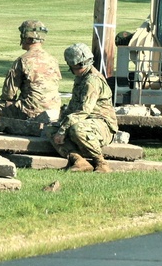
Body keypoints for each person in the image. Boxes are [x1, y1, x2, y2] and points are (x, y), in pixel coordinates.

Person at [49, 42, 118, 173]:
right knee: (50, 129)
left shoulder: (92, 80)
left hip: (102, 124)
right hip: (84, 121)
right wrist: (60, 124)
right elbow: (73, 105)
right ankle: (78, 160)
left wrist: (63, 130)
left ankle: (101, 162)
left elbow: (83, 110)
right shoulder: (81, 77)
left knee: (77, 129)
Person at [0, 19, 61, 121]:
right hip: (53, 111)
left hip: (30, 112)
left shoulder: (23, 60)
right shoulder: (53, 60)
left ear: (26, 37)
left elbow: (8, 95)